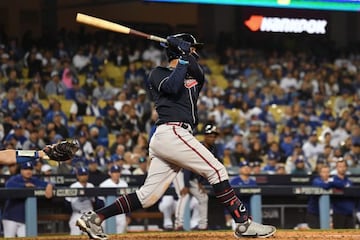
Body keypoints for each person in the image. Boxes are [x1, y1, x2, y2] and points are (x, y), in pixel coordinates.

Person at [76, 33, 276, 239]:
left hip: (175, 136)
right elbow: (171, 87)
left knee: (148, 196)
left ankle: (95, 218)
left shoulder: (195, 73)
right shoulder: (157, 73)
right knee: (217, 170)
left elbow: (197, 71)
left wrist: (184, 54)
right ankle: (243, 223)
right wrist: (182, 55)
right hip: (170, 132)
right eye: (192, 47)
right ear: (179, 52)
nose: (196, 51)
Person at [2, 162, 53, 237]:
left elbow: (48, 184)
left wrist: (50, 186)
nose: (28, 171)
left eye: (30, 169)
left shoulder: (34, 180)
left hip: (25, 219)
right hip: (11, 218)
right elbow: (8, 185)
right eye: (26, 169)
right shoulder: (15, 179)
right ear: (21, 170)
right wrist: (24, 185)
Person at [66, 167, 104, 235]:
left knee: (92, 236)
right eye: (82, 175)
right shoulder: (73, 186)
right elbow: (67, 203)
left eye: (85, 174)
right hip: (77, 214)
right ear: (78, 176)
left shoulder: (91, 186)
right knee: (75, 237)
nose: (84, 177)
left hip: (89, 215)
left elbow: (95, 202)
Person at [99, 165, 129, 234]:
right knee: (108, 235)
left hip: (121, 214)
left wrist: (128, 215)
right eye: (114, 172)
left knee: (120, 236)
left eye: (118, 172)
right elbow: (100, 202)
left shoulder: (124, 184)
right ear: (110, 173)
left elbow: (127, 200)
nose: (116, 174)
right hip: (108, 214)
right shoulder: (104, 184)